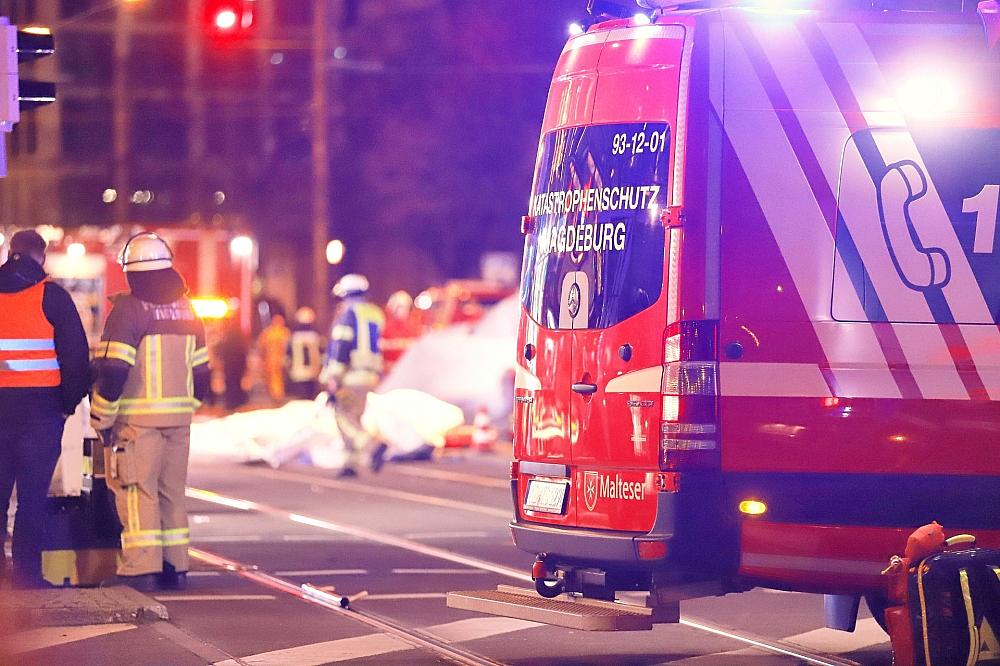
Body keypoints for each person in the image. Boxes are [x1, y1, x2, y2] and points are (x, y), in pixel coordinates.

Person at [90, 232, 210, 591]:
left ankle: (141, 569)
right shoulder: (189, 310)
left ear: (131, 273)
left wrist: (101, 416)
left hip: (139, 421)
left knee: (137, 490)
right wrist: (187, 407)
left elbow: (113, 370)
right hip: (180, 420)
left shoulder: (129, 309)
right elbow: (203, 374)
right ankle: (176, 566)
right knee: (172, 492)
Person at [0, 230, 90, 588]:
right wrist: (65, 405)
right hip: (40, 412)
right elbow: (76, 359)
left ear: (10, 252)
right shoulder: (52, 296)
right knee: (32, 498)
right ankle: (26, 574)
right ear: (43, 257)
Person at [322, 274, 387, 477]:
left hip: (350, 377)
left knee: (344, 418)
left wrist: (333, 377)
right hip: (370, 376)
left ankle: (372, 446)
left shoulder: (348, 315)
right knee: (355, 415)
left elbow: (341, 347)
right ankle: (350, 464)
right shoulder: (375, 314)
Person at [287, 307, 322, 400]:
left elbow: (289, 355)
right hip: (313, 372)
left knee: (301, 398)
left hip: (299, 372)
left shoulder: (294, 338)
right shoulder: (315, 337)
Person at [217, 317, 249, 411]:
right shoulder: (239, 337)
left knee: (230, 383)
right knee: (236, 383)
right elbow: (243, 352)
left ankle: (231, 402)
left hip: (230, 366)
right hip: (237, 366)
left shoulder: (227, 337)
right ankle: (236, 401)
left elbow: (223, 351)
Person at [258, 313, 290, 403]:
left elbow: (261, 347)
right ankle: (277, 394)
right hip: (277, 359)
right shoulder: (283, 332)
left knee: (276, 378)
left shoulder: (269, 332)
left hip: (274, 359)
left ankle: (276, 394)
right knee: (276, 378)